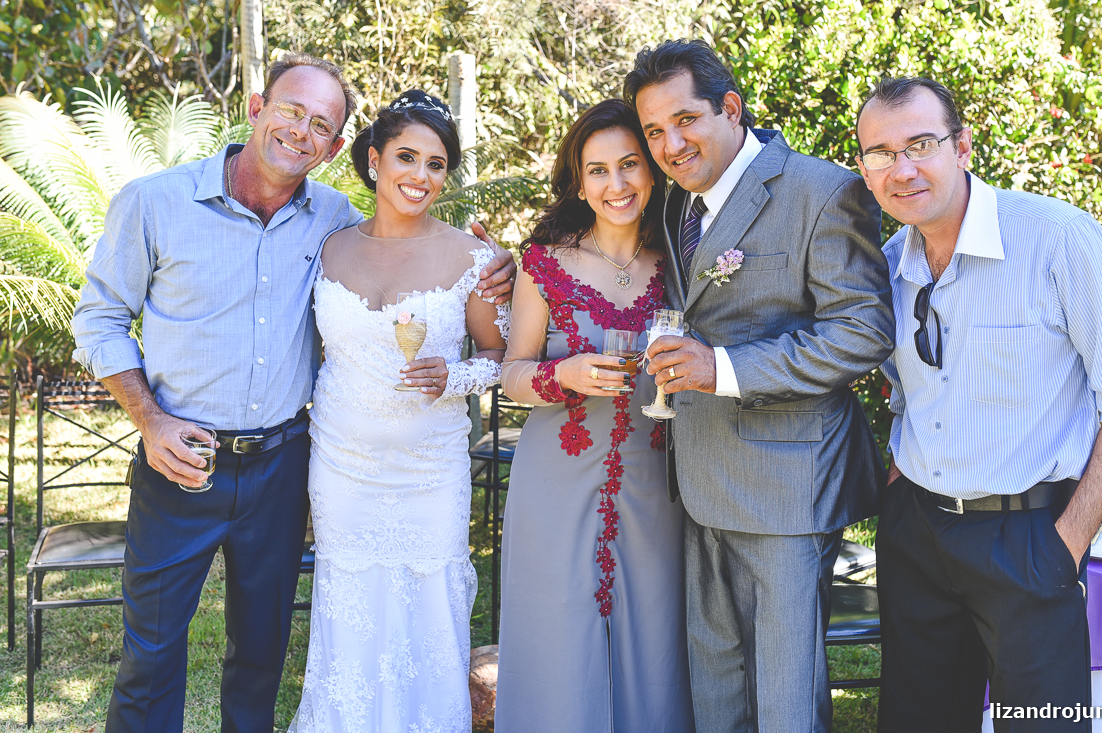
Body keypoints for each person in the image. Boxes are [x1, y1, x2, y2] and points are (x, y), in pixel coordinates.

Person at [71, 54, 515, 733]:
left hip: (284, 465)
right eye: (291, 111)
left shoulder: (329, 220)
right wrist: (150, 422)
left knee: (260, 655)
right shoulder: (155, 202)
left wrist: (500, 268)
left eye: (321, 124)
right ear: (256, 107)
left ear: (338, 147)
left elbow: (475, 328)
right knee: (152, 653)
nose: (302, 131)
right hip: (180, 460)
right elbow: (99, 317)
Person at [857, 77, 1102, 733]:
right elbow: (904, 392)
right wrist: (898, 495)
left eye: (920, 144)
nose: (902, 168)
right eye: (880, 153)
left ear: (963, 145)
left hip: (1030, 540)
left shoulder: (1058, 240)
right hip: (917, 534)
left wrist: (1069, 541)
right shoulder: (888, 266)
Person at [626, 40, 895, 733]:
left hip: (788, 485)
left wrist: (725, 369)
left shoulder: (821, 190)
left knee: (783, 693)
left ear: (731, 108)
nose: (670, 143)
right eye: (654, 130)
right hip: (698, 475)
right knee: (714, 678)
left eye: (685, 120)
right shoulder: (675, 206)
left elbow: (862, 331)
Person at [287, 89, 508, 732]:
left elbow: (501, 357)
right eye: (407, 157)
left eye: (437, 164)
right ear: (374, 160)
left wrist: (453, 375)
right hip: (342, 467)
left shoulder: (472, 260)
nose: (420, 175)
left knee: (429, 608)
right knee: (348, 606)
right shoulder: (328, 249)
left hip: (428, 470)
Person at [494, 98, 694, 732]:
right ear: (578, 181)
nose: (617, 185)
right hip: (555, 478)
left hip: (658, 482)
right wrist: (565, 374)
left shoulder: (683, 262)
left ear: (653, 171)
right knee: (558, 632)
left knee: (655, 634)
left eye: (630, 165)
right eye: (599, 170)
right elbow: (510, 374)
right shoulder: (542, 263)